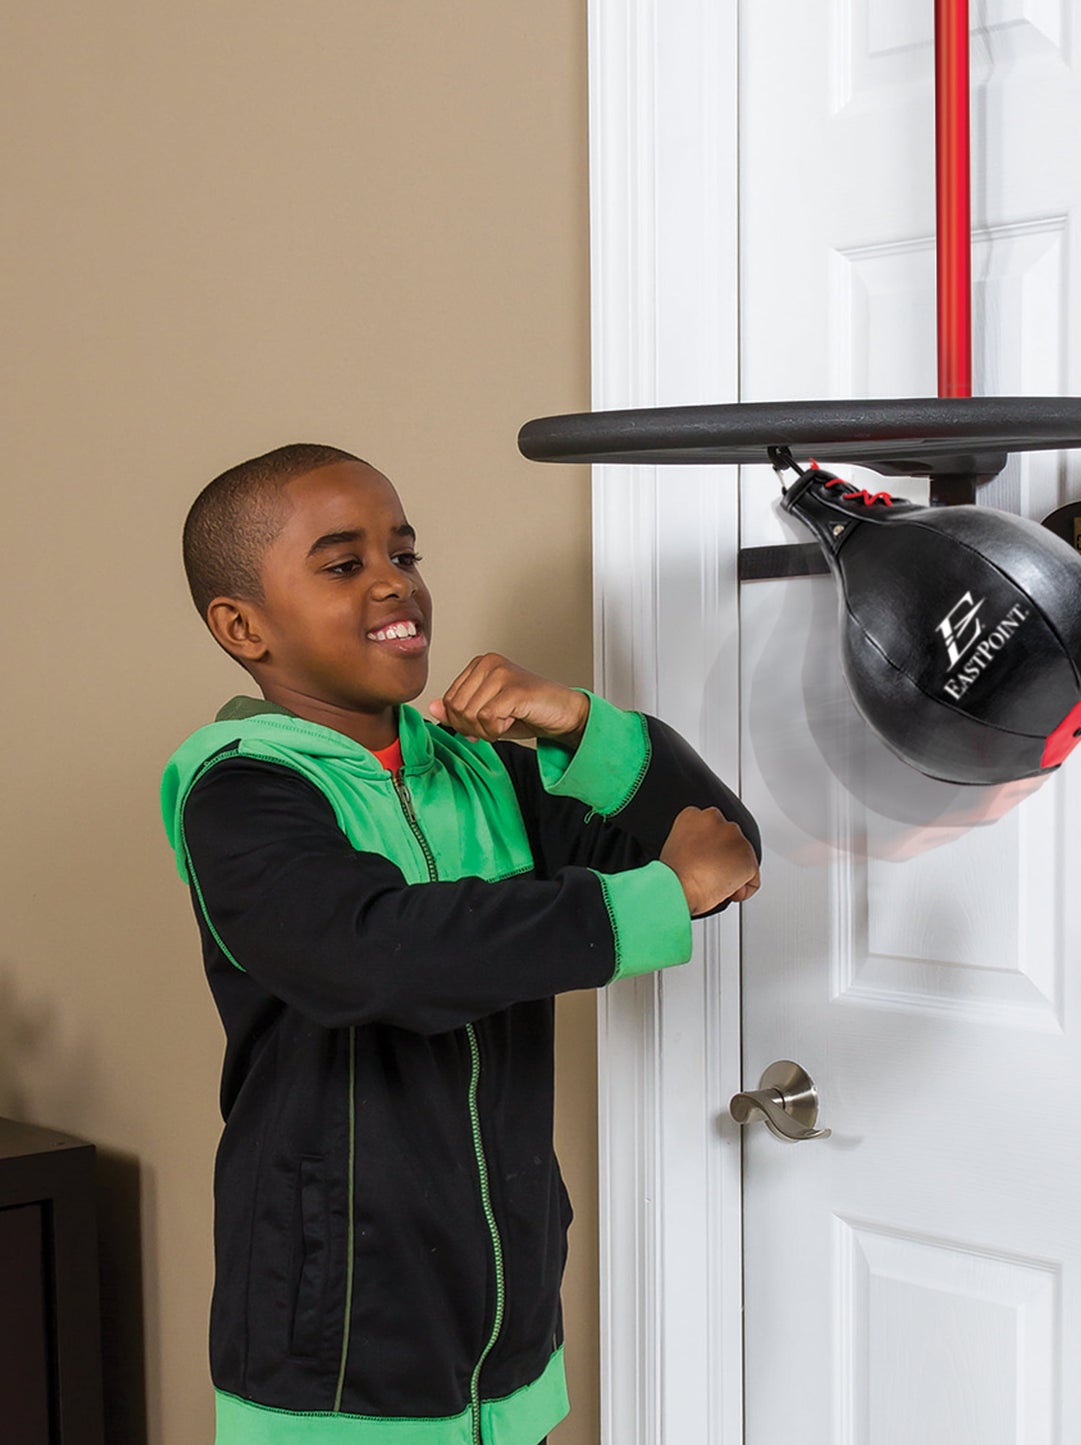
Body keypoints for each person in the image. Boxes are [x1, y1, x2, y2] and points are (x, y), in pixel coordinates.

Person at [160, 444, 761, 1445]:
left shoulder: (487, 772)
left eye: (405, 551)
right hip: (333, 1342)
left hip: (503, 1322)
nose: (396, 579)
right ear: (242, 624)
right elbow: (376, 956)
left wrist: (578, 720)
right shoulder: (241, 792)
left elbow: (718, 843)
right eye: (344, 563)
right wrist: (659, 897)